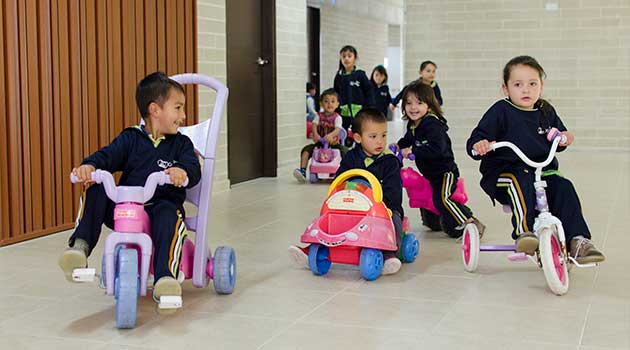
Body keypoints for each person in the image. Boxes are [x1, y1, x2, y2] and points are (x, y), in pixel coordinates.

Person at [58, 72, 202, 314]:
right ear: (155, 110)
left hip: (161, 205)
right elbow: (107, 155)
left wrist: (181, 171)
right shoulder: (131, 138)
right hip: (128, 209)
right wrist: (90, 166)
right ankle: (79, 248)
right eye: (178, 108)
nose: (183, 116)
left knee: (169, 214)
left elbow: (193, 170)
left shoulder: (181, 144)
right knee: (96, 190)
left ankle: (165, 278)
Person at [466, 55, 605, 263]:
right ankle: (524, 233)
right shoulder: (501, 111)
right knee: (519, 179)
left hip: (542, 171)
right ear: (506, 89)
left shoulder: (545, 111)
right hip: (505, 172)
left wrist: (565, 138)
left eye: (533, 83)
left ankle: (578, 240)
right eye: (518, 84)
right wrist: (480, 145)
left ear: (541, 85)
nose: (526, 90)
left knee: (564, 187)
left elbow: (560, 135)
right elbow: (476, 139)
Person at [289, 108, 404, 275]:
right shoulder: (351, 157)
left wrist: (377, 201)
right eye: (373, 136)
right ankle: (312, 250)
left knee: (394, 218)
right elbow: (340, 180)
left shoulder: (390, 162)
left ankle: (388, 254)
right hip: (353, 206)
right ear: (358, 137)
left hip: (381, 209)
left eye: (384, 135)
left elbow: (394, 193)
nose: (380, 141)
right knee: (330, 217)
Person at [396, 82, 485, 238]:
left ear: (429, 106)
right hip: (430, 174)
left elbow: (438, 149)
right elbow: (407, 139)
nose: (413, 107)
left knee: (443, 199)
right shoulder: (413, 124)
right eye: (409, 103)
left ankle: (471, 222)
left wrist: (413, 151)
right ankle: (439, 222)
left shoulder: (432, 124)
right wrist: (398, 146)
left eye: (419, 103)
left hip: (445, 172)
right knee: (431, 198)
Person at [293, 88, 346, 182]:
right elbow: (314, 125)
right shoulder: (318, 116)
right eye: (326, 101)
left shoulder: (337, 117)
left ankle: (346, 172)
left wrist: (331, 135)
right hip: (320, 143)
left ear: (337, 104)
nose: (329, 104)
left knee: (345, 152)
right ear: (321, 103)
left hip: (334, 144)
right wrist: (316, 134)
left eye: (333, 101)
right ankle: (303, 171)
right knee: (306, 150)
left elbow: (338, 129)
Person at [333, 45, 375, 146]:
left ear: (355, 58)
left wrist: (369, 108)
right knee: (344, 138)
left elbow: (369, 90)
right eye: (344, 56)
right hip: (343, 114)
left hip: (359, 114)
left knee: (359, 136)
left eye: (349, 56)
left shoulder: (360, 75)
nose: (346, 58)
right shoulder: (338, 76)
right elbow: (335, 93)